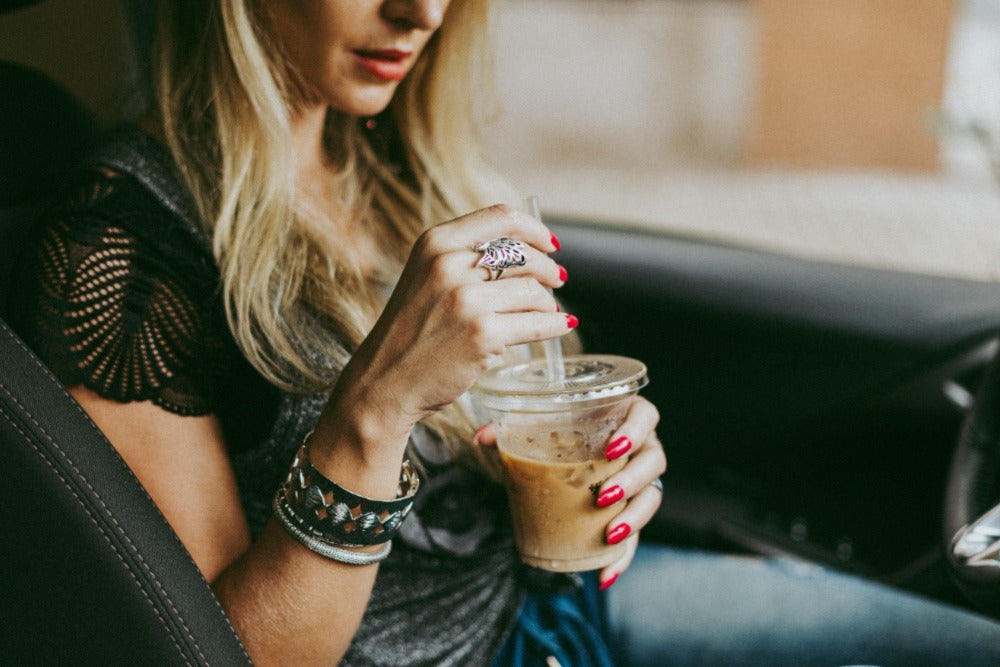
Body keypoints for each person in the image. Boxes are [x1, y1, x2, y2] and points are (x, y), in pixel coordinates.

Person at [9, 1, 1000, 666]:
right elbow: (224, 650)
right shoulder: (125, 250)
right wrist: (376, 406)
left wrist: (609, 471)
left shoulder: (403, 169)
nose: (421, 10)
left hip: (555, 611)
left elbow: (519, 448)